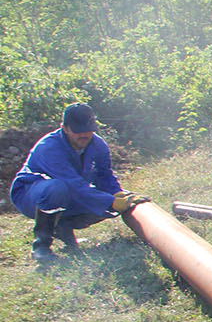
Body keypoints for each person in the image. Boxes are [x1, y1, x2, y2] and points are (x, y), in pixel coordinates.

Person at [9, 103, 149, 263]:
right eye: (78, 130)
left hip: (69, 193)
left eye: (87, 129)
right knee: (58, 188)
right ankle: (41, 246)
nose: (84, 134)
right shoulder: (49, 147)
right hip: (31, 195)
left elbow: (105, 175)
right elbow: (73, 184)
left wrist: (117, 193)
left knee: (108, 208)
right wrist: (110, 201)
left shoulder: (97, 145)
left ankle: (62, 227)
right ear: (65, 128)